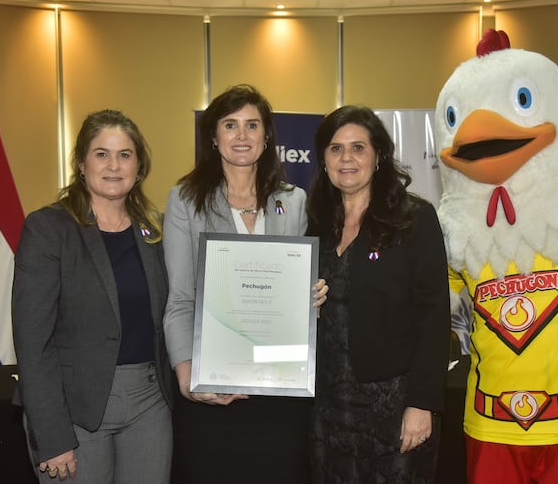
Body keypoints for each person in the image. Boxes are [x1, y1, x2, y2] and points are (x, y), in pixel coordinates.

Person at [163, 84, 327, 484]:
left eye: (252, 125)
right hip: (213, 387)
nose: (241, 136)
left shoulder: (294, 200)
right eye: (230, 125)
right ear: (214, 138)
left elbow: (294, 292)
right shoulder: (185, 200)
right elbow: (181, 299)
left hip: (279, 388)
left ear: (267, 136)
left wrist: (312, 297)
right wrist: (189, 378)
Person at [12, 109, 174, 483]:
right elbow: (32, 341)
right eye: (101, 154)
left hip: (150, 405)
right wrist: (51, 436)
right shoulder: (48, 228)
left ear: (139, 165)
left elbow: (188, 302)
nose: (114, 165)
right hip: (74, 410)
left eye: (125, 154)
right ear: (82, 164)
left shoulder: (158, 230)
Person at [306, 105, 450, 483]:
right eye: (336, 149)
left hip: (394, 403)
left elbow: (433, 316)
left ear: (379, 156)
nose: (346, 158)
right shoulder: (317, 226)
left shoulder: (413, 218)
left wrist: (421, 404)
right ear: (323, 159)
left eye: (358, 147)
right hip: (328, 406)